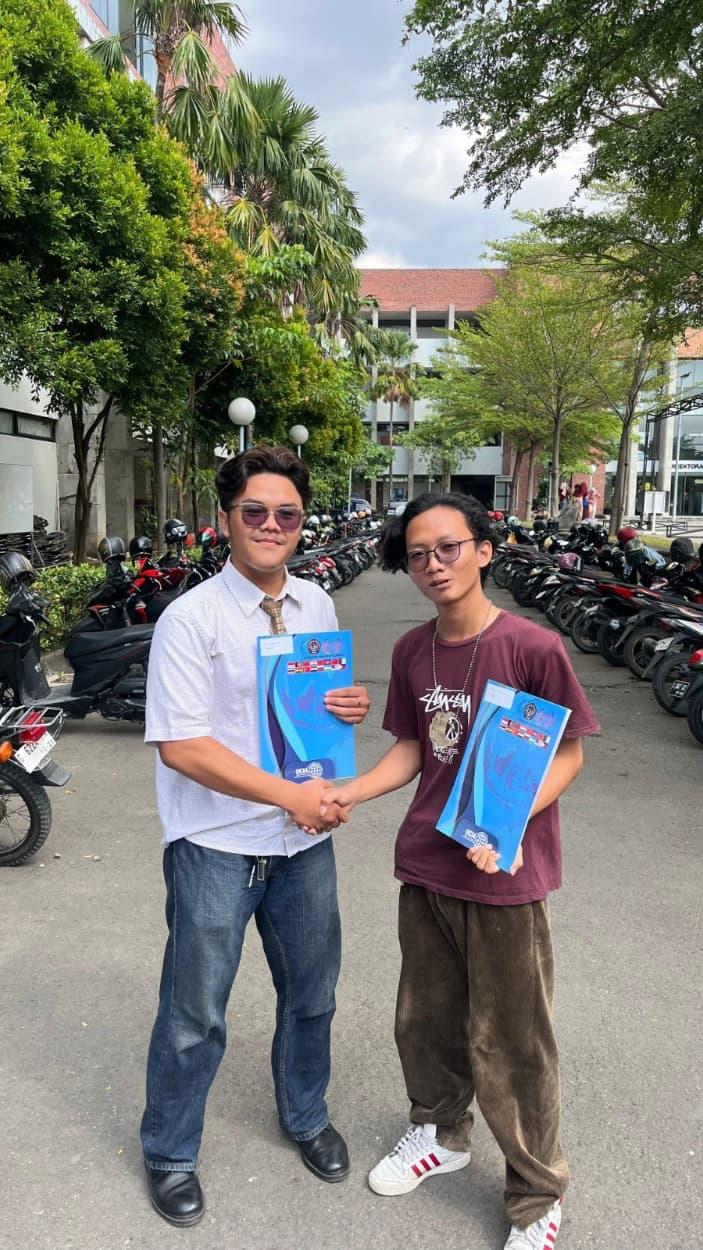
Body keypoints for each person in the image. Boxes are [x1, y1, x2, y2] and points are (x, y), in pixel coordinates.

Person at [328, 492, 600, 1250]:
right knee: (425, 1021)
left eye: (448, 547)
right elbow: (415, 748)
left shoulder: (533, 647)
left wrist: (510, 827)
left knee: (512, 1040)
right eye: (418, 554)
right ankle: (441, 1134)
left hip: (502, 875)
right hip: (427, 865)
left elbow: (568, 753)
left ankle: (536, 1195)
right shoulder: (412, 650)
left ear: (482, 549)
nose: (433, 565)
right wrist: (352, 789)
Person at [140, 446, 371, 1227]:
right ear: (226, 519)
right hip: (214, 844)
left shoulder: (316, 605)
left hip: (303, 846)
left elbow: (313, 711)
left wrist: (345, 708)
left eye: (287, 514)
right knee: (194, 1014)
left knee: (312, 995)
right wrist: (288, 797)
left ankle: (305, 1115)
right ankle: (170, 1151)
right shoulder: (190, 618)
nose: (272, 525)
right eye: (255, 512)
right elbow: (183, 746)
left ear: (301, 523)